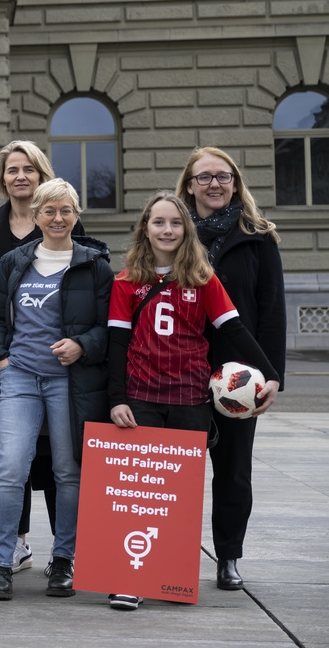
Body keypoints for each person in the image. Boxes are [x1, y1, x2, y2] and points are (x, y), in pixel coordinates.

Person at [105, 191, 278, 611]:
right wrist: (115, 398)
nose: (167, 230)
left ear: (187, 230)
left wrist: (270, 375)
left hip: (189, 398)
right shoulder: (126, 281)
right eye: (158, 222)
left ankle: (171, 577)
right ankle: (130, 578)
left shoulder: (202, 278)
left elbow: (236, 332)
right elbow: (116, 344)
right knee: (142, 491)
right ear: (145, 228)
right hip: (142, 396)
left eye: (175, 223)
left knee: (178, 494)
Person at [0, 178, 112, 602]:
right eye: (49, 211)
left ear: (76, 215)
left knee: (68, 471)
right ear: (35, 215)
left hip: (68, 382)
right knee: (10, 468)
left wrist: (82, 345)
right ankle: (2, 563)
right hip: (19, 377)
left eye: (66, 210)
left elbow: (109, 328)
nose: (58, 218)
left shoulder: (95, 264)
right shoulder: (14, 262)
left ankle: (64, 560)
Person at [0, 141, 86, 575]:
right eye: (11, 170)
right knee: (10, 460)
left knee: (62, 463)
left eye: (28, 169)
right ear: (2, 179)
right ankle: (14, 547)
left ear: (41, 176)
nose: (19, 176)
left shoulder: (64, 226)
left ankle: (65, 553)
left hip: (62, 370)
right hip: (9, 366)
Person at [176, 147, 286, 592]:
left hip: (237, 380)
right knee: (174, 471)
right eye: (204, 178)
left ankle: (228, 557)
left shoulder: (258, 237)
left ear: (236, 183)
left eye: (223, 177)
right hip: (178, 373)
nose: (214, 184)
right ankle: (168, 557)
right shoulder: (171, 233)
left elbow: (272, 312)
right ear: (189, 186)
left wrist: (272, 374)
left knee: (234, 472)